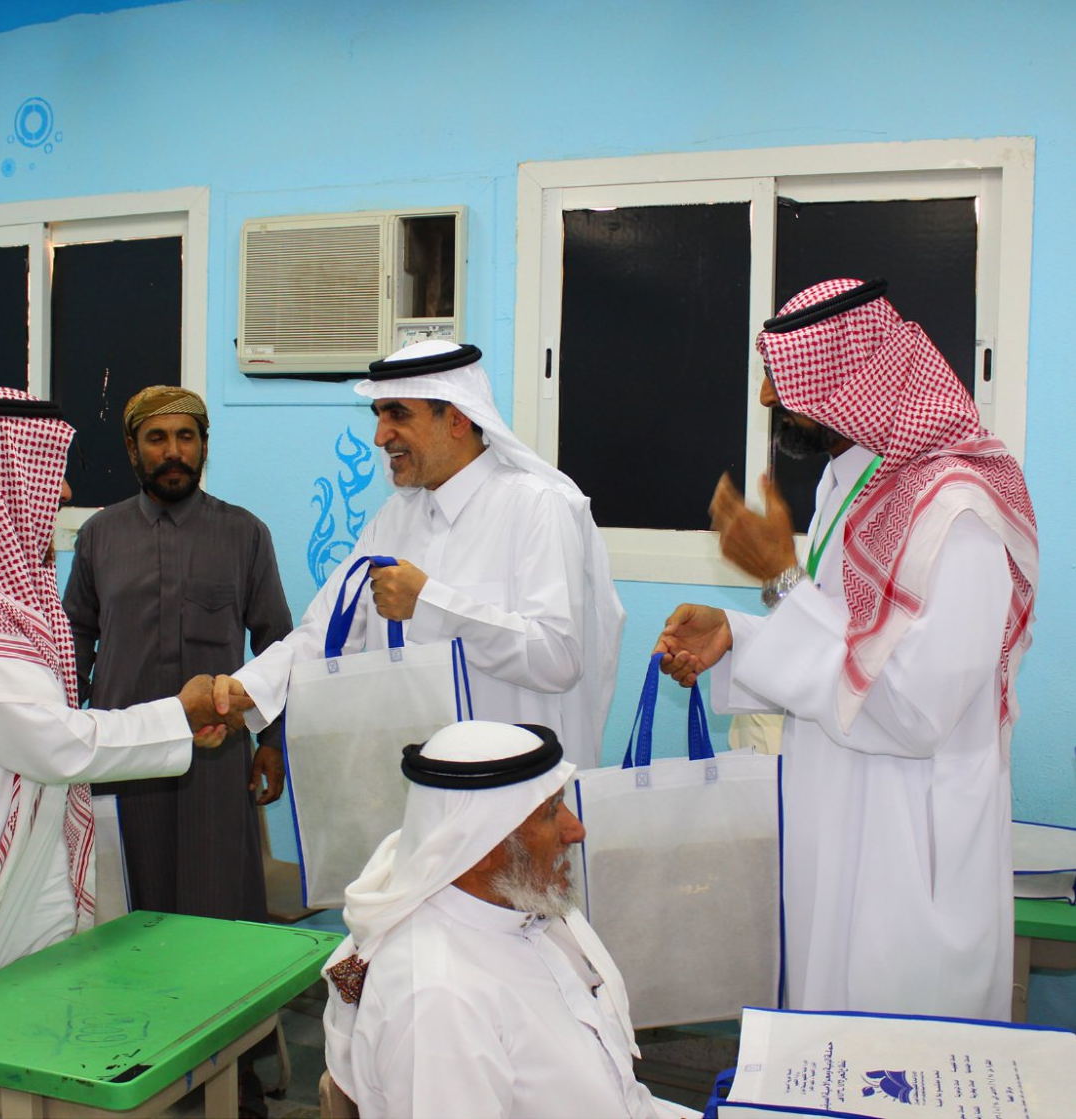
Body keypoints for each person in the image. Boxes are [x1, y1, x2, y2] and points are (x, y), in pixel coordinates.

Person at [0, 387, 250, 1118]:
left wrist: (178, 725)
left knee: (11, 1073)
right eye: (49, 470)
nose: (59, 491)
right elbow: (49, 741)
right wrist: (177, 717)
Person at [655, 278, 1038, 1020]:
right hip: (836, 816)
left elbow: (913, 709)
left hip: (907, 848)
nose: (767, 397)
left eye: (783, 377)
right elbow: (845, 637)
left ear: (851, 377)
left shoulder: (956, 512)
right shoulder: (851, 482)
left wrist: (781, 580)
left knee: (896, 1052)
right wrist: (739, 635)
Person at [219, 340, 625, 771]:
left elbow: (558, 658)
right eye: (379, 415)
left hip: (515, 783)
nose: (380, 437)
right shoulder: (392, 520)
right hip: (418, 783)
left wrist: (429, 605)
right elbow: (325, 630)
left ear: (457, 418)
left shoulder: (536, 506)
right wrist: (251, 687)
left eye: (398, 414)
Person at [321, 720, 700, 1118]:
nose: (576, 829)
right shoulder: (439, 999)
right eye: (551, 812)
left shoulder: (519, 911)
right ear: (477, 847)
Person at [63, 386, 292, 921]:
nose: (173, 451)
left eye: (186, 437)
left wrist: (272, 742)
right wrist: (65, 736)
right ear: (132, 448)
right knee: (124, 908)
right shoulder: (98, 536)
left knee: (217, 902)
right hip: (122, 752)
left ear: (204, 445)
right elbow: (75, 641)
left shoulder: (244, 534)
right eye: (157, 438)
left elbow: (276, 646)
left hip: (214, 757)